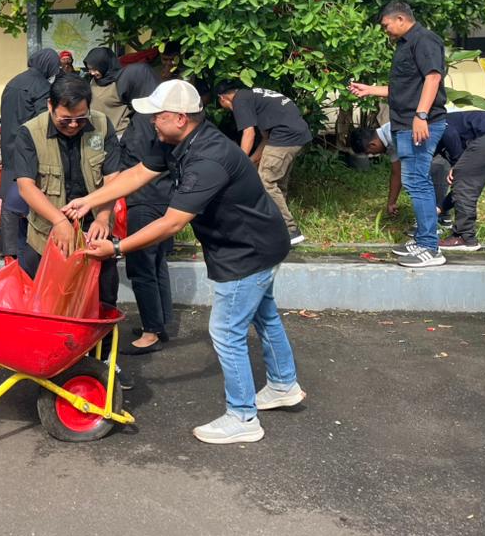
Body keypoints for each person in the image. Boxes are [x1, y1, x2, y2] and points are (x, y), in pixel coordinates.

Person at [63, 79, 304, 445]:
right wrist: (89, 201)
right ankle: (284, 385)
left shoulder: (208, 158)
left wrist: (117, 248)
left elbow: (171, 223)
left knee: (226, 332)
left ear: (179, 118)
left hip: (247, 250)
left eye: (157, 115)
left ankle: (242, 417)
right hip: (256, 241)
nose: (151, 121)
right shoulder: (174, 141)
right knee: (264, 315)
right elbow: (137, 174)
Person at [350, 1, 449, 269]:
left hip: (419, 123)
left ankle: (430, 247)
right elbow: (406, 88)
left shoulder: (424, 40)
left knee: (417, 181)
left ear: (401, 19)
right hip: (405, 124)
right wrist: (370, 90)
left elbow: (433, 78)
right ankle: (423, 239)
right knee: (414, 180)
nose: (386, 31)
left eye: (386, 25)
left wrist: (421, 115)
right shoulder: (405, 45)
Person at [13, 73, 123, 311]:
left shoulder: (102, 125)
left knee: (102, 302)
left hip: (95, 231)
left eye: (81, 119)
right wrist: (59, 221)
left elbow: (113, 179)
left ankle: (100, 337)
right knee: (45, 305)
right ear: (50, 106)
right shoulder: (30, 133)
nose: (73, 125)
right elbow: (26, 186)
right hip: (46, 234)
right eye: (65, 120)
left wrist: (104, 217)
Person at [354, 110, 485, 252]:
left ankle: (464, 236)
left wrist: (457, 163)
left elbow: (448, 131)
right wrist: (441, 207)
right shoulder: (445, 144)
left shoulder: (423, 129)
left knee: (463, 179)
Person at [116, 63, 176, 355]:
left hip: (144, 199)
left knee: (141, 267)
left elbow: (137, 163)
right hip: (165, 198)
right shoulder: (163, 114)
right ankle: (161, 324)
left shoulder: (143, 120)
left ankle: (150, 333)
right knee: (157, 262)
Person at [214, 80, 312, 246]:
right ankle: (277, 228)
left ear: (222, 98)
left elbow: (249, 133)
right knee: (277, 184)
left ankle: (290, 231)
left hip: (285, 137)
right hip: (297, 136)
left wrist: (239, 162)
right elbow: (266, 139)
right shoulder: (254, 97)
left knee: (266, 181)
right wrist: (250, 161)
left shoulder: (239, 100)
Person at [0, 49, 62, 258]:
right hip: (29, 146)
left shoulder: (13, 82)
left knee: (9, 195)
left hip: (9, 143)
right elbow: (43, 121)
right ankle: (27, 246)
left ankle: (8, 248)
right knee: (28, 194)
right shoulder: (42, 87)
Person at [351, 124, 452, 232]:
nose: (373, 154)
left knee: (426, 172)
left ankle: (429, 223)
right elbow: (397, 172)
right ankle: (439, 217)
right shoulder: (389, 140)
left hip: (445, 143)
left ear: (373, 145)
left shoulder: (396, 132)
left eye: (370, 153)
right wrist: (391, 202)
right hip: (435, 148)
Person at [84, 47, 130, 133]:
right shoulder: (93, 81)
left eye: (95, 69)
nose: (92, 73)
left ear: (104, 65)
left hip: (118, 134)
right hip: (98, 132)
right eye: (89, 69)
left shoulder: (121, 82)